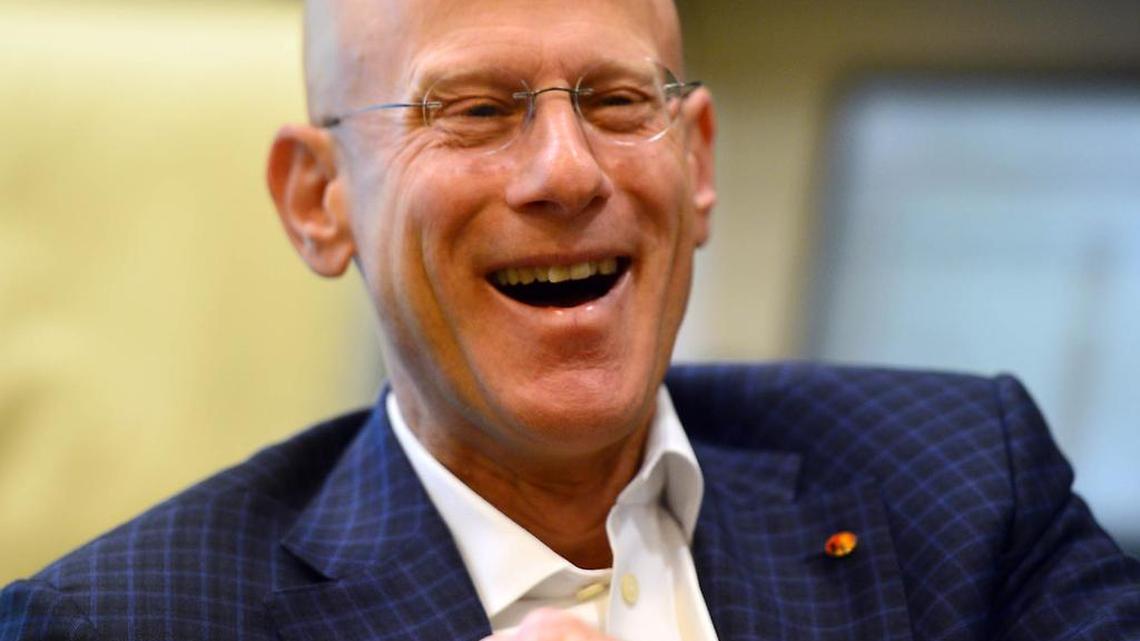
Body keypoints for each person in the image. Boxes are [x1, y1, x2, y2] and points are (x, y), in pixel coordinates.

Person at [2, 0, 1138, 639]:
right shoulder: (116, 623)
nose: (565, 171)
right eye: (478, 109)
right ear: (320, 200)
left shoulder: (962, 485)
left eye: (615, 101)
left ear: (695, 166)